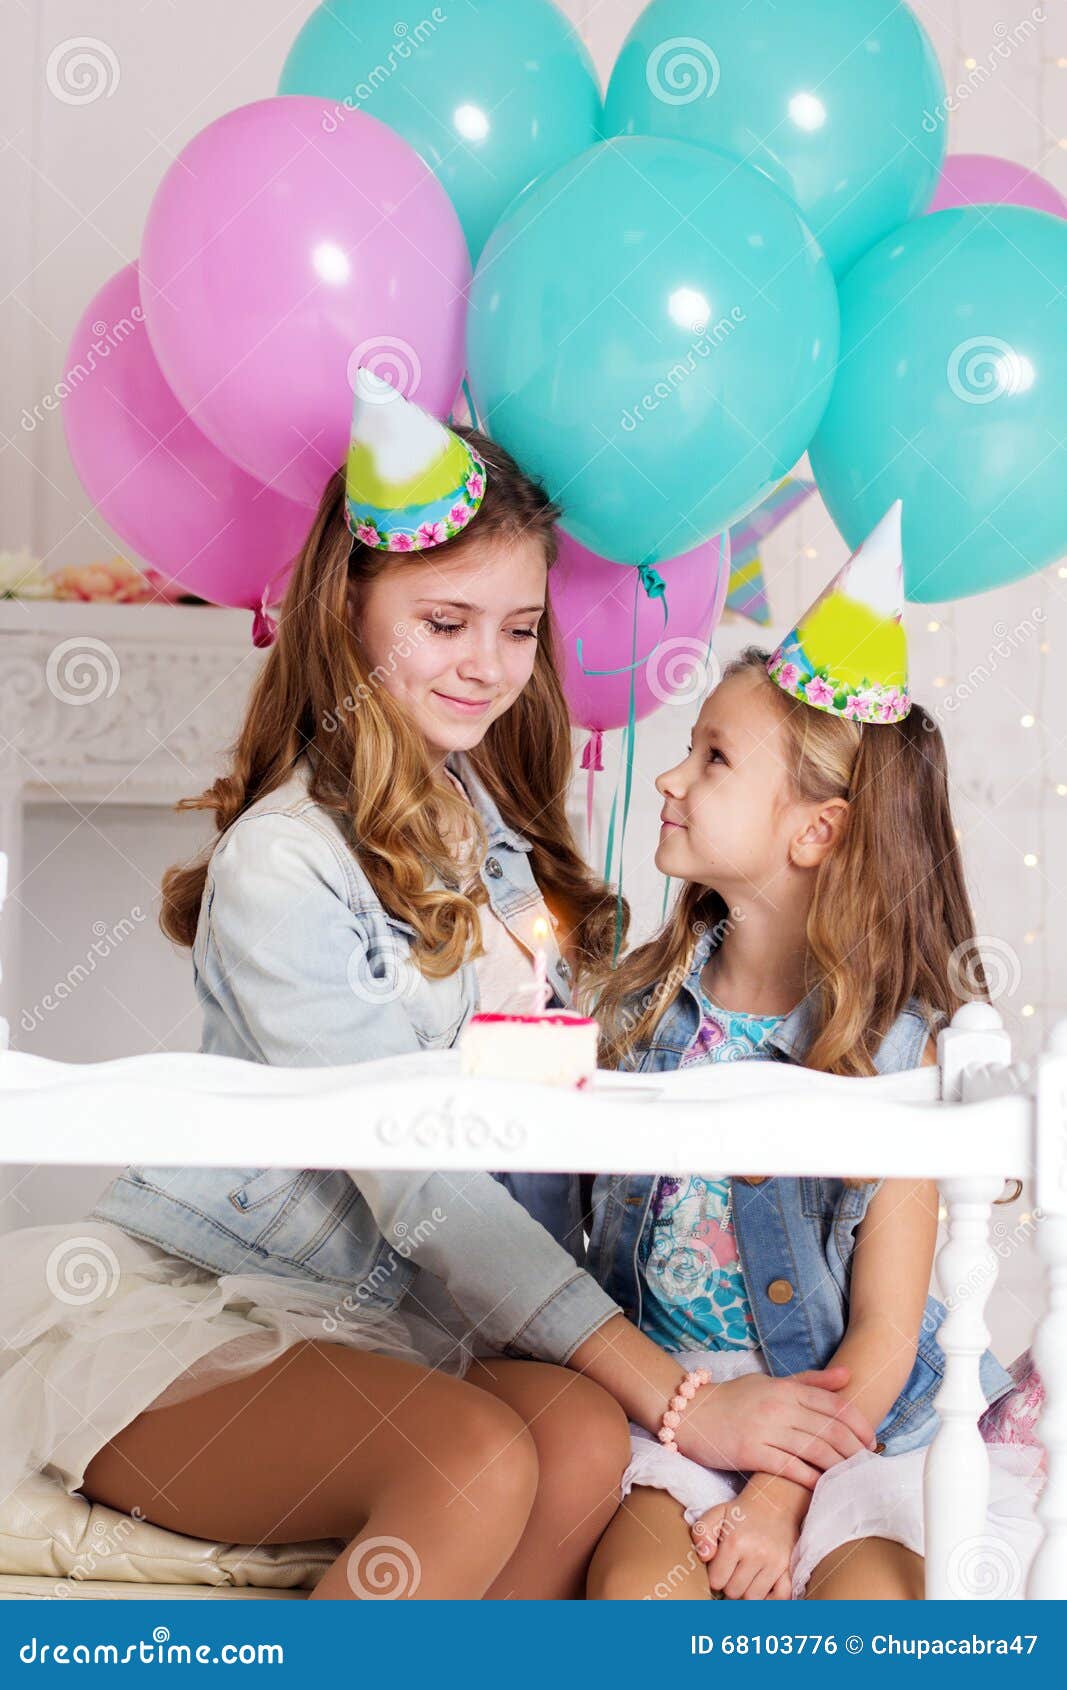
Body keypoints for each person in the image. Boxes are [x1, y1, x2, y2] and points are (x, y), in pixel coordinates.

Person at [0, 370, 876, 1600]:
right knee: (469, 1459)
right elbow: (421, 1189)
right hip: (197, 1320)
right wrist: (682, 1402)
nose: (488, 665)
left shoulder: (495, 838)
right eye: (443, 621)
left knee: (572, 1438)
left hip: (381, 1325)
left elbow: (568, 1093)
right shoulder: (283, 865)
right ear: (349, 614)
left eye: (517, 627)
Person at [575, 504, 1044, 1601]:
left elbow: (882, 1331)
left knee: (869, 1611)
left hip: (852, 1430)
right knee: (636, 1606)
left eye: (713, 757)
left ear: (813, 831)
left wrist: (779, 1496)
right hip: (673, 1413)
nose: (669, 780)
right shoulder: (635, 1011)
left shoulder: (897, 1054)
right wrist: (717, 1460)